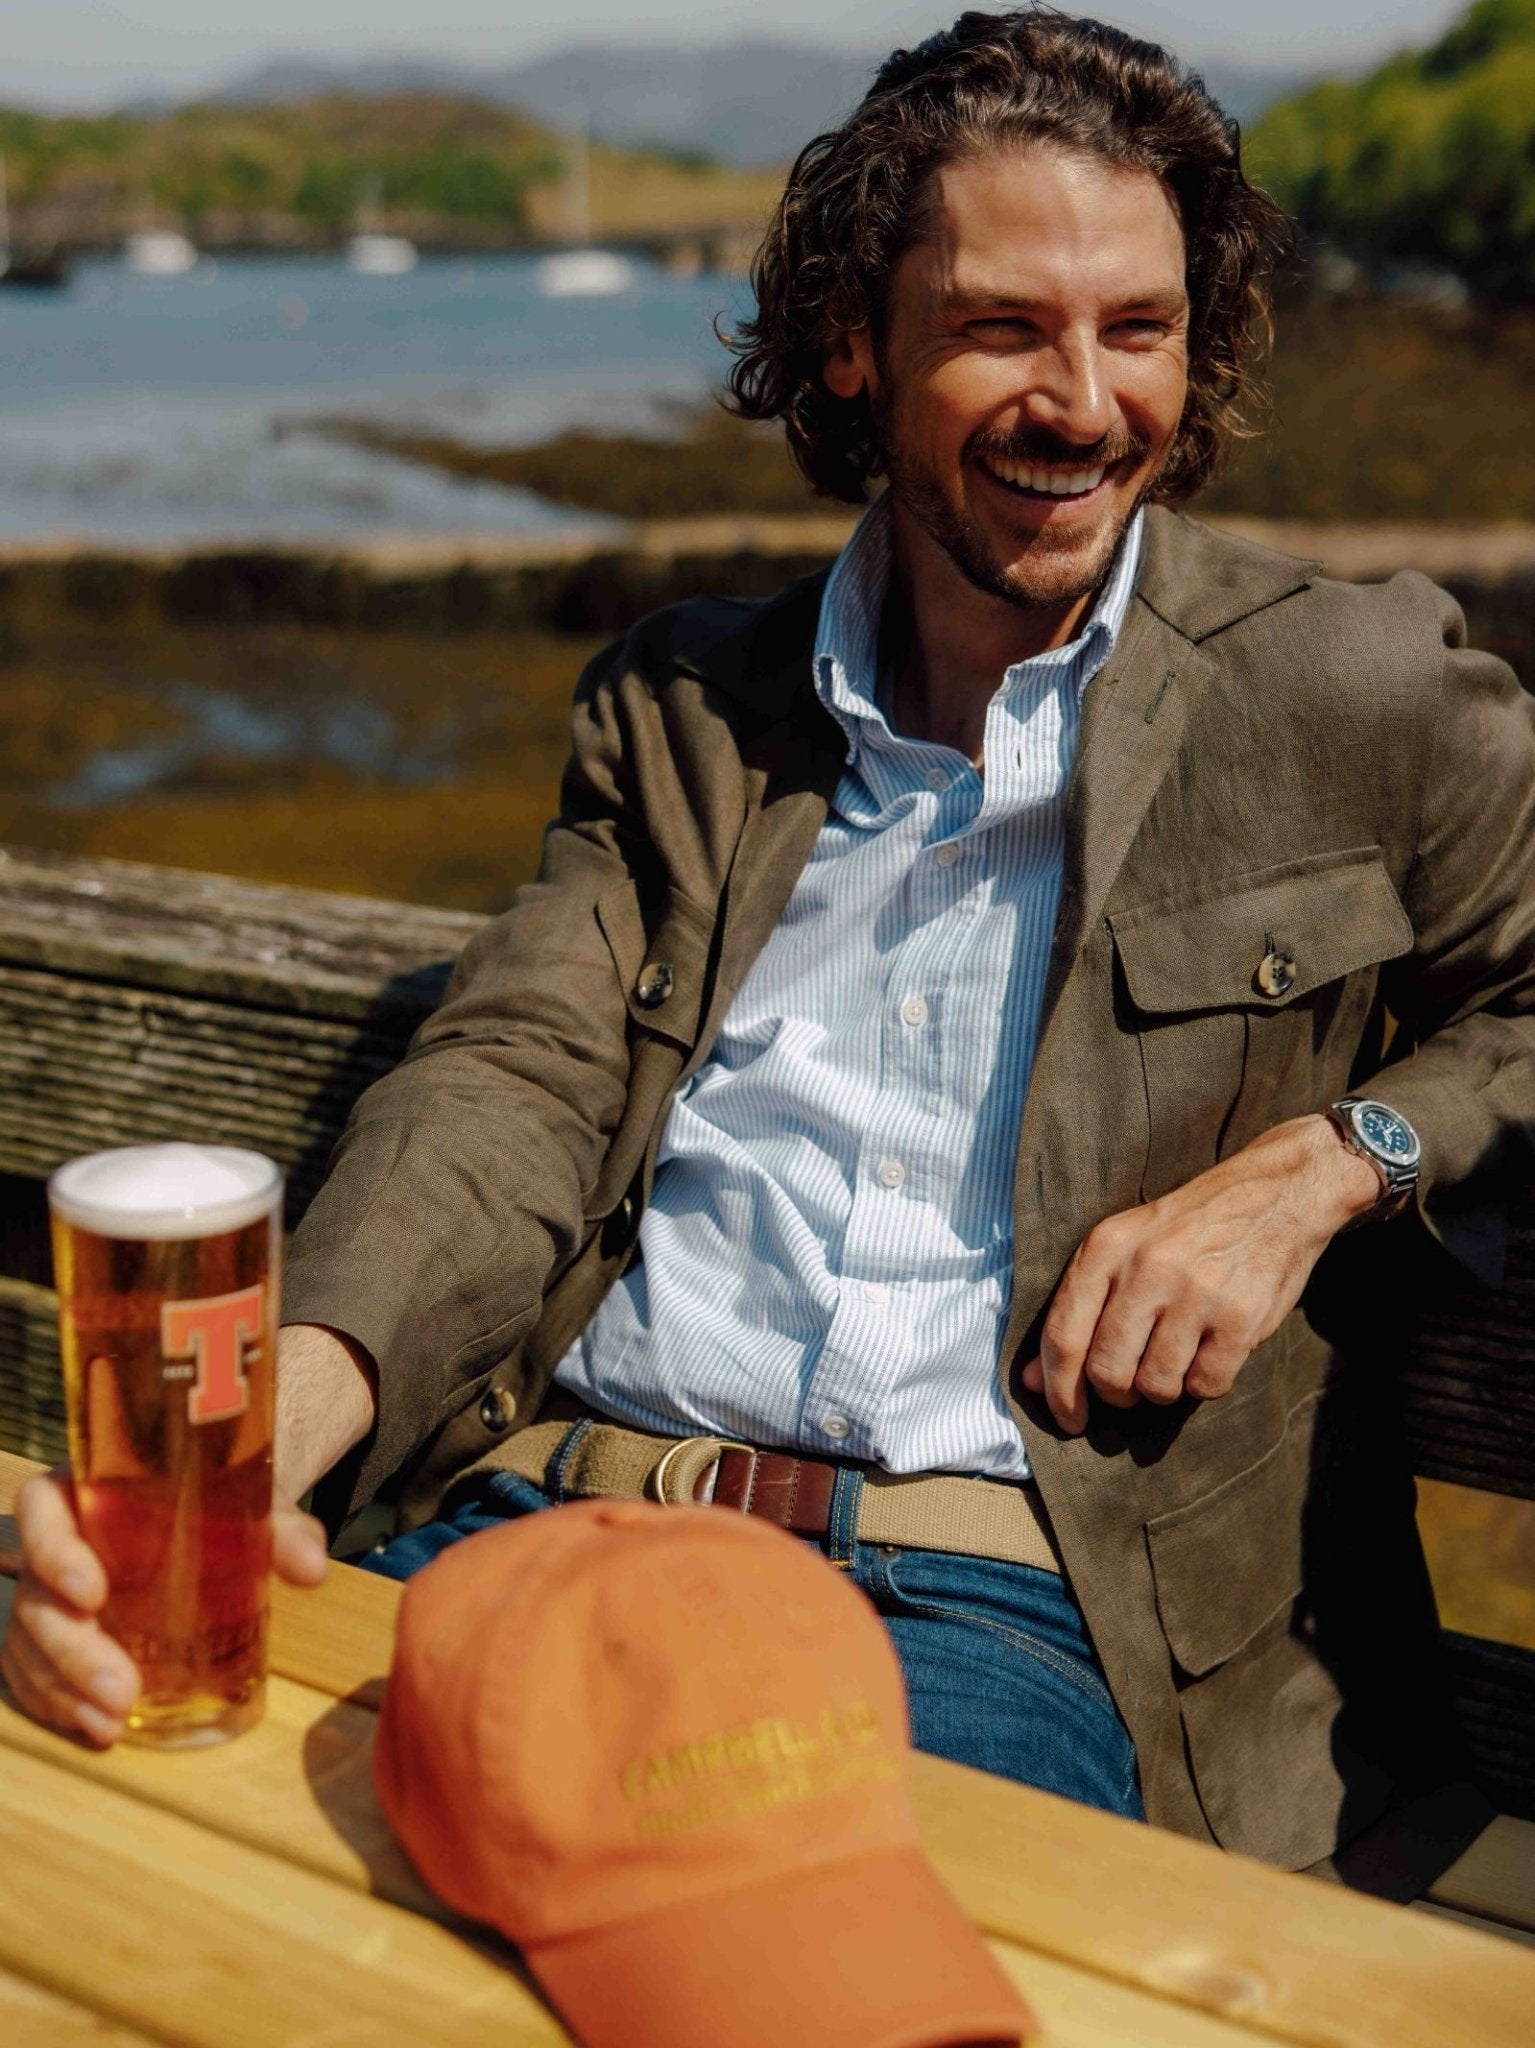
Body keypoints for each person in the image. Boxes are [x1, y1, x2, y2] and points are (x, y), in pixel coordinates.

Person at [8, 10, 1533, 1893]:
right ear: (849, 341)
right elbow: (512, 1088)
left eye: (1137, 328)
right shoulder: (682, 712)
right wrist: (262, 1445)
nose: (1084, 402)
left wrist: (1332, 1163)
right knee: (119, 1885)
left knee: (759, 1957)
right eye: (1002, 327)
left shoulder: (1348, 690)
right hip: (539, 1525)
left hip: (994, 1615)